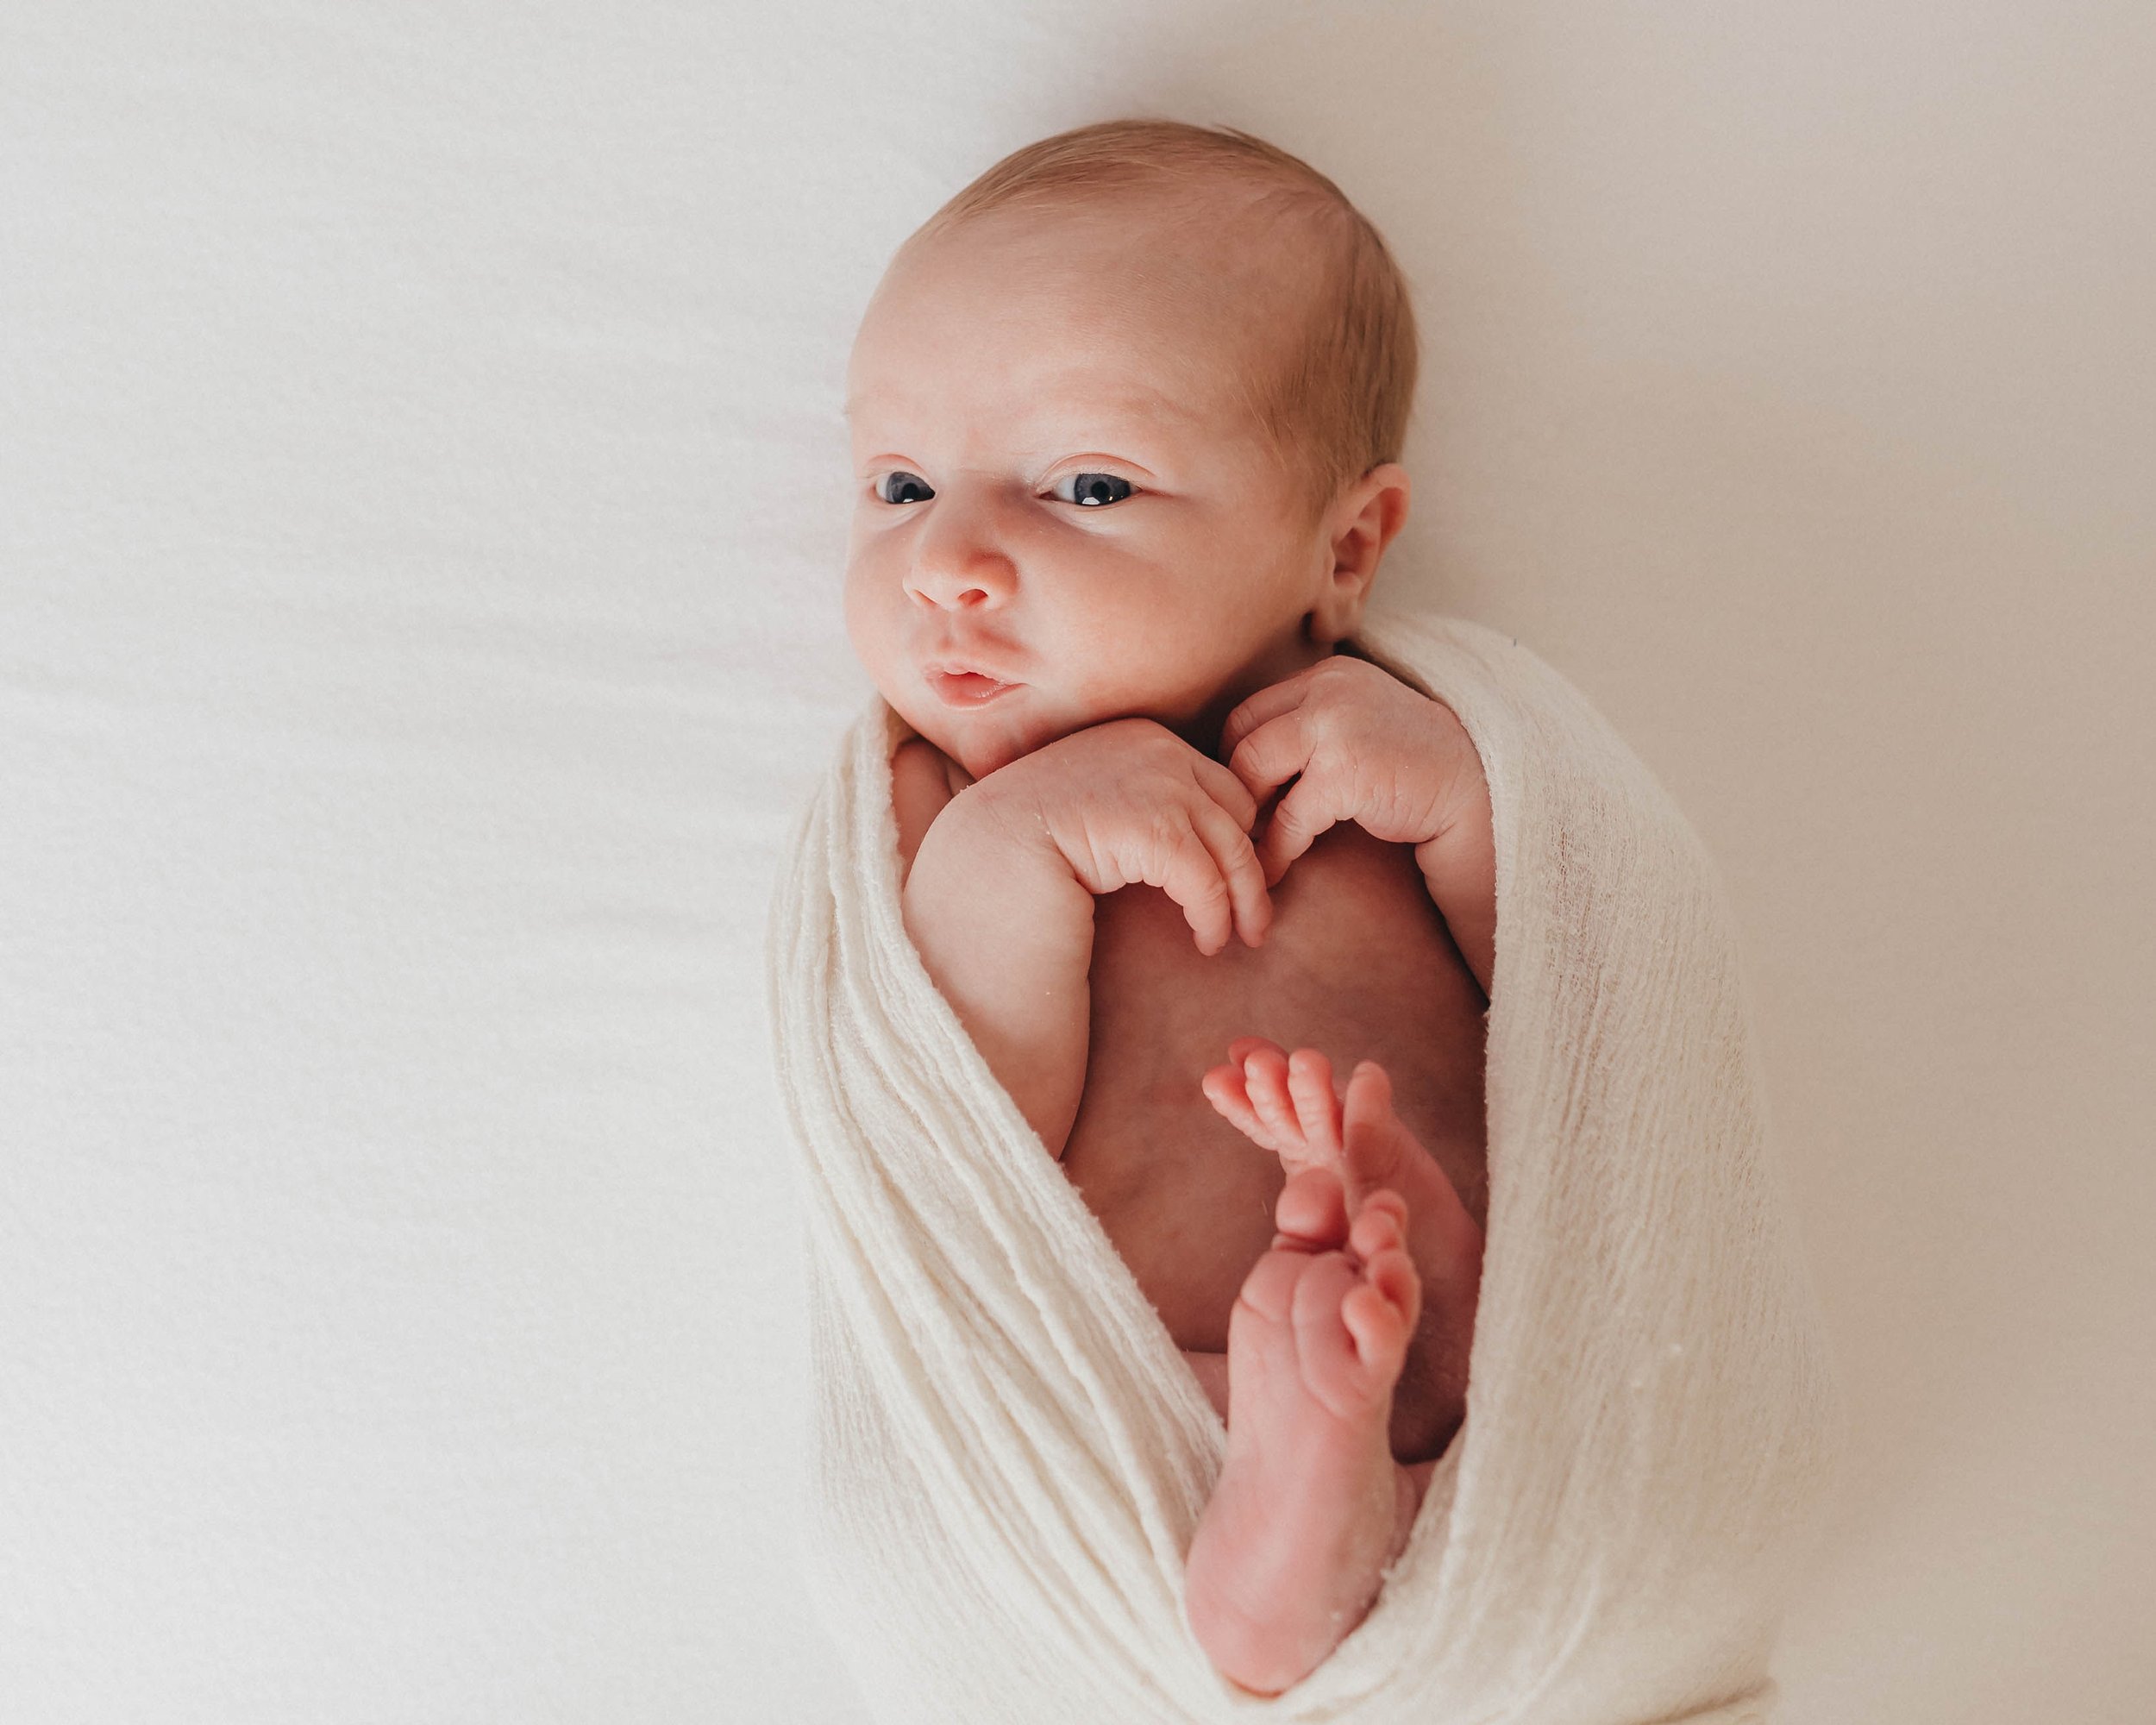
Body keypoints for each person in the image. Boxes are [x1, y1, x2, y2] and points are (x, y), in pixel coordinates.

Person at [840, 116, 1495, 1697]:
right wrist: (1017, 850)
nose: (951, 561)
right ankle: (1292, 1516)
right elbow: (955, 1131)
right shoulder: (952, 806)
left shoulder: (1384, 738)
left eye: (1085, 483)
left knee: (1443, 1305)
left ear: (1342, 547)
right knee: (1251, 1422)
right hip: (1150, 1388)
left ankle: (1336, 1467)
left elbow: (1582, 996)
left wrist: (1474, 807)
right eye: (902, 482)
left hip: (1467, 1338)